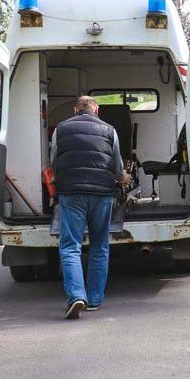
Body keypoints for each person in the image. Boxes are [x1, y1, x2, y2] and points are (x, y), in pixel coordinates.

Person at [52, 96, 130, 320]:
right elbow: (116, 167)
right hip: (101, 194)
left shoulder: (61, 129)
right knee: (99, 246)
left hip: (72, 193)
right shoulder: (109, 130)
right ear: (97, 109)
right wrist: (123, 178)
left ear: (76, 109)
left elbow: (54, 161)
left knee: (70, 247)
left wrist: (63, 179)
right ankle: (94, 300)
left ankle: (76, 296)